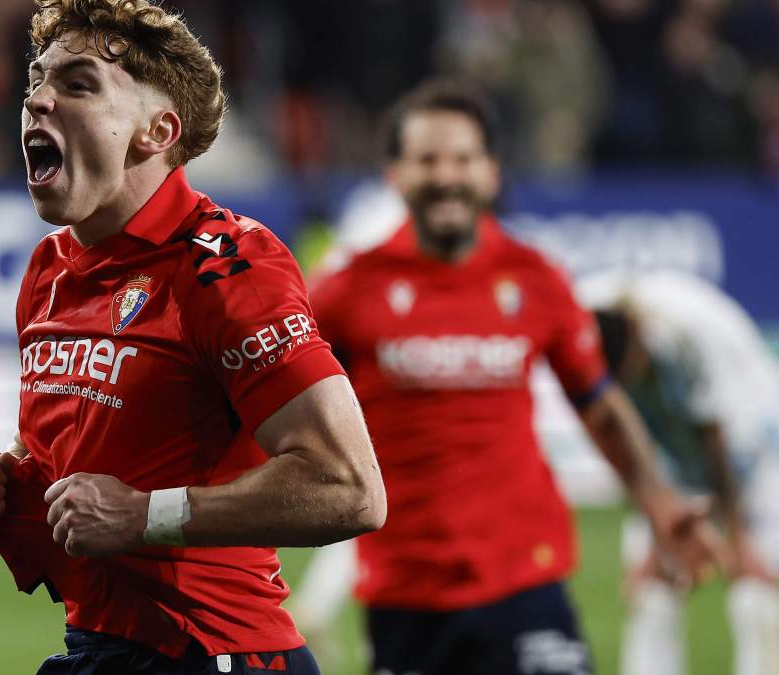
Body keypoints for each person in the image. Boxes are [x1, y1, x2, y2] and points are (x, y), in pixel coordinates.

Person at [0, 2, 387, 674]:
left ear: (156, 131)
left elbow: (349, 486)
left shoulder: (225, 266)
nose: (37, 100)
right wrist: (7, 483)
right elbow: (83, 470)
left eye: (78, 84)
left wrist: (143, 514)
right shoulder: (48, 271)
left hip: (217, 654)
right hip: (101, 647)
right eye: (36, 81)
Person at [296, 79, 724, 675]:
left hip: (527, 577)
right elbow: (278, 400)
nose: (447, 175)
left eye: (463, 159)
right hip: (405, 592)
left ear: (491, 172)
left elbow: (599, 405)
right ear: (394, 175)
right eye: (428, 160)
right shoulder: (345, 291)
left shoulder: (537, 278)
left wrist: (658, 501)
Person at [581, 270, 779, 675]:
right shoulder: (579, 325)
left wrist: (738, 540)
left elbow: (716, 437)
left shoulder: (683, 336)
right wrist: (660, 522)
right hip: (668, 461)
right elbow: (607, 429)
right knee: (651, 589)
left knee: (755, 593)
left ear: (640, 339)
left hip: (754, 452)